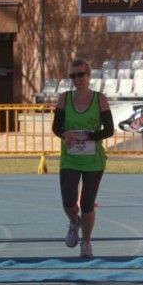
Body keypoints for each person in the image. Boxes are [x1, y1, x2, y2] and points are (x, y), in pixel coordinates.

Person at [52, 59, 114, 258]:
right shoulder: (64, 98)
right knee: (68, 200)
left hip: (92, 159)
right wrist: (65, 134)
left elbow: (109, 130)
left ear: (89, 76)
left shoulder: (99, 99)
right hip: (70, 157)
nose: (77, 79)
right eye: (73, 76)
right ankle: (74, 222)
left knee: (87, 203)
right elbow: (56, 127)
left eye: (80, 74)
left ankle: (86, 242)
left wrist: (87, 136)